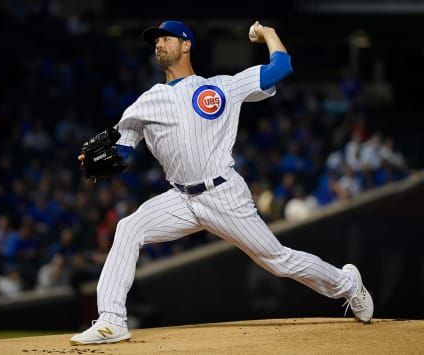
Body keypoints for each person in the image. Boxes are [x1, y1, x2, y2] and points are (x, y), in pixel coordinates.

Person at [70, 20, 374, 345]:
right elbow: (122, 150)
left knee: (278, 260)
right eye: (155, 40)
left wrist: (268, 33)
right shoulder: (147, 102)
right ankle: (111, 320)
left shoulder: (222, 87)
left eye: (166, 38)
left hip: (224, 194)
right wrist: (97, 158)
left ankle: (347, 284)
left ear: (186, 45)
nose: (158, 43)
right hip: (182, 199)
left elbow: (281, 67)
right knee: (129, 228)